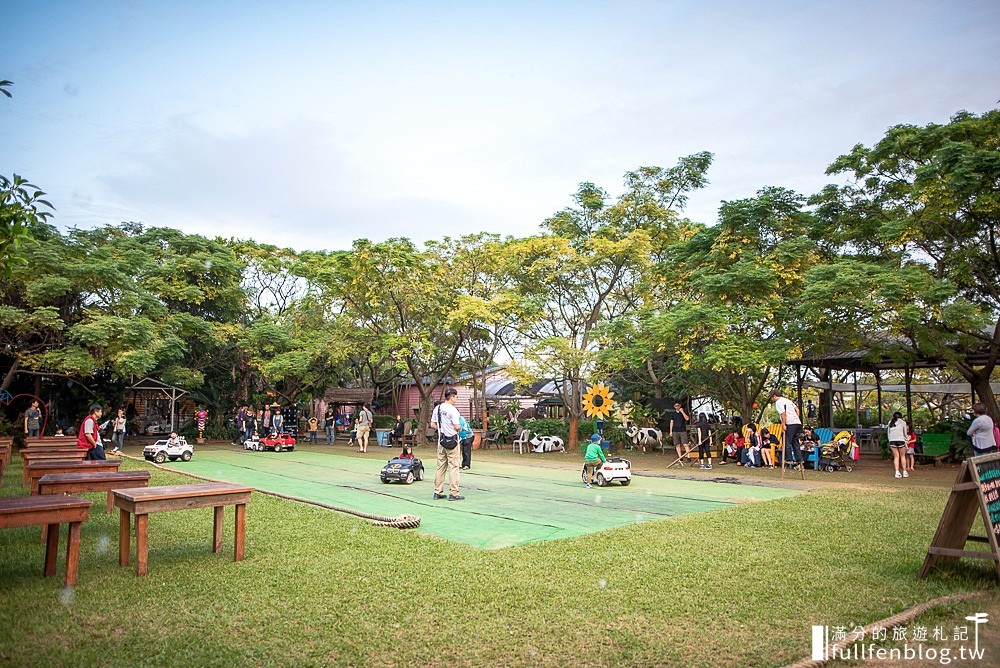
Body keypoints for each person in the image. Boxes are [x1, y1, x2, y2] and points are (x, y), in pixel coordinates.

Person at [431, 388, 463, 501]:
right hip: (453, 442)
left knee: (440, 467)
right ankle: (454, 493)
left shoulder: (437, 408)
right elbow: (457, 426)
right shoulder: (453, 410)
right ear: (452, 397)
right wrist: (460, 428)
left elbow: (432, 424)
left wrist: (441, 428)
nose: (456, 399)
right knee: (454, 467)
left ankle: (437, 492)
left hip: (441, 441)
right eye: (456, 397)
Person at [771, 389, 802, 469]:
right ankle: (799, 459)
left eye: (772, 397)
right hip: (797, 423)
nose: (772, 399)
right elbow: (797, 410)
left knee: (787, 442)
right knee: (795, 442)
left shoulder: (778, 402)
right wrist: (796, 418)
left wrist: (783, 424)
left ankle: (789, 459)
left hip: (790, 423)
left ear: (774, 396)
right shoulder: (787, 400)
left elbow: (783, 414)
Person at [887, 411, 910, 478]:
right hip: (900, 440)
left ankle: (897, 472)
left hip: (892, 440)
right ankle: (904, 472)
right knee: (902, 456)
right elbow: (905, 433)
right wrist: (907, 438)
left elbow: (888, 433)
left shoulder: (890, 422)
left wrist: (890, 440)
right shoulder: (903, 422)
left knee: (896, 456)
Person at [668, 401, 692, 466]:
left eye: (678, 405)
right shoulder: (673, 414)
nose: (677, 407)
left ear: (680, 405)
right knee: (677, 444)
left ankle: (688, 456)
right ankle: (680, 457)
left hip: (682, 430)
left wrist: (682, 412)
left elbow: (687, 419)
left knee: (685, 444)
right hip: (675, 430)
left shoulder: (683, 412)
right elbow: (671, 422)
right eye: (675, 406)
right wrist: (671, 431)